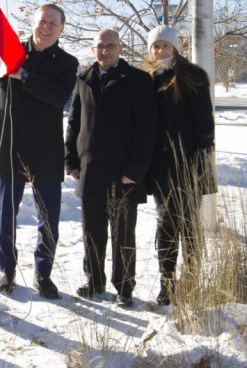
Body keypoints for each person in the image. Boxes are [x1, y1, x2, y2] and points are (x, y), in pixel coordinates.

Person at [0, 4, 78, 298]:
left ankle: (44, 274)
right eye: (42, 21)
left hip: (46, 151)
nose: (46, 27)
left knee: (48, 219)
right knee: (5, 217)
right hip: (9, 146)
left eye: (53, 23)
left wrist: (23, 75)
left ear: (61, 29)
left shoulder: (68, 62)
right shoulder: (10, 53)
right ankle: (7, 271)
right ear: (33, 23)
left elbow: (57, 97)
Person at [65, 28, 156, 308]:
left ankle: (124, 287)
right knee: (92, 232)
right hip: (90, 171)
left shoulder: (138, 80)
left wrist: (135, 169)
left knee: (123, 234)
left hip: (123, 174)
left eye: (110, 45)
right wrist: (71, 160)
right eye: (99, 46)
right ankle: (94, 281)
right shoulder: (84, 79)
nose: (104, 51)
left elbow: (146, 129)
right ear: (93, 50)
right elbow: (74, 122)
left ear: (121, 48)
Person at [144, 25, 217, 305]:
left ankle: (192, 279)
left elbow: (205, 124)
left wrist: (201, 164)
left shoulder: (192, 76)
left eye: (166, 45)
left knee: (189, 225)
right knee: (166, 222)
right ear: (150, 49)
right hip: (160, 166)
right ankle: (167, 282)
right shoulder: (147, 78)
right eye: (156, 46)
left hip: (189, 164)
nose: (161, 50)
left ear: (176, 47)